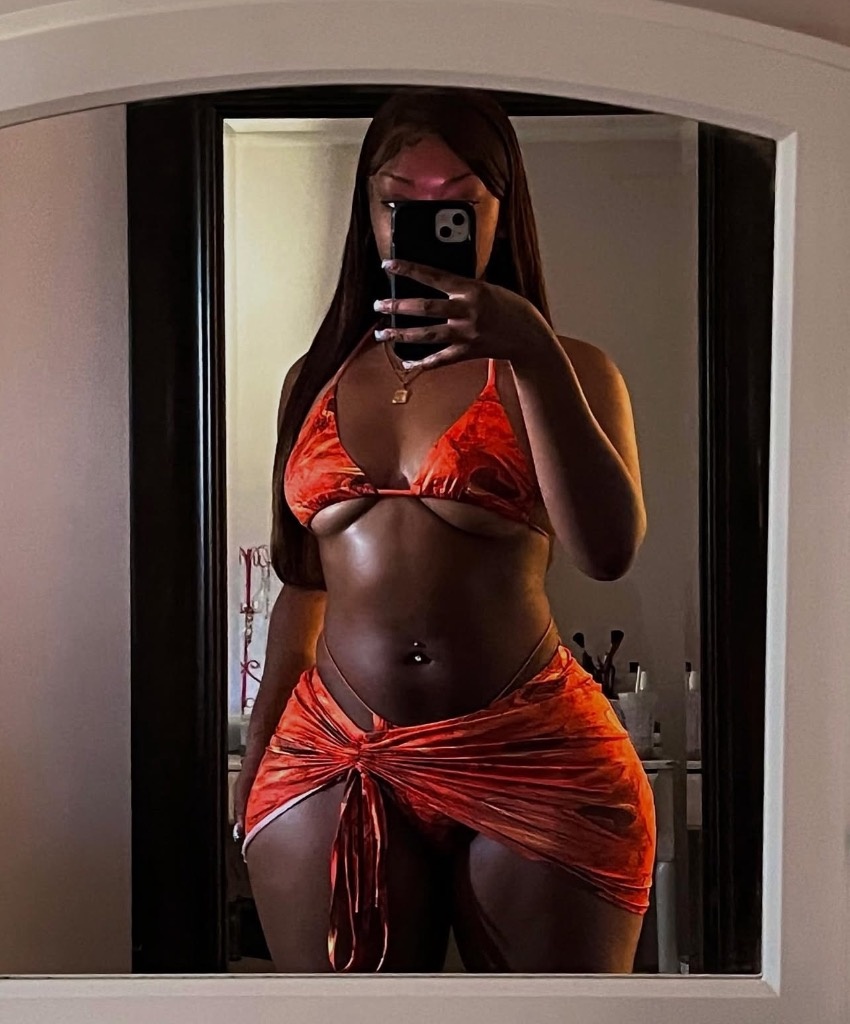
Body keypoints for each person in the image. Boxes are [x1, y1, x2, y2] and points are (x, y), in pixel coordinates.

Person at [233, 86, 656, 974]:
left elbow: (608, 553)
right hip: (335, 750)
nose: (422, 222)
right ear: (366, 212)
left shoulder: (569, 368)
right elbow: (303, 583)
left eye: (456, 201)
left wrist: (529, 349)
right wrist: (263, 739)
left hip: (529, 749)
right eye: (400, 201)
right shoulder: (313, 378)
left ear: (502, 211)